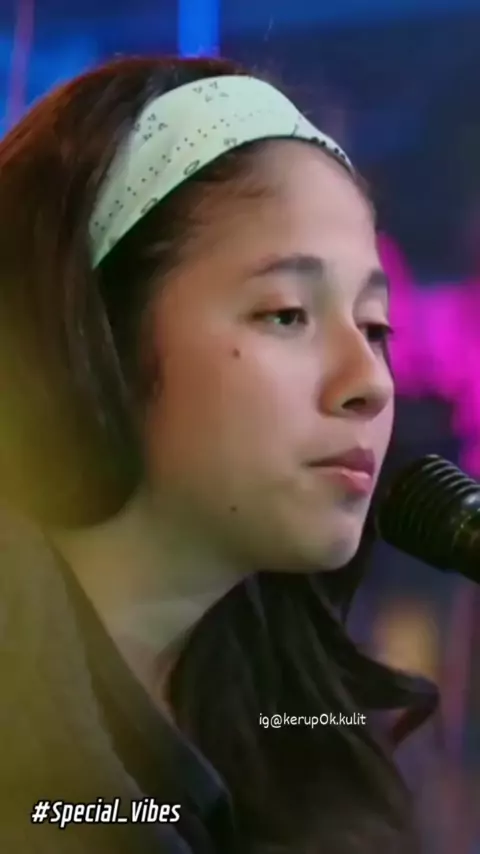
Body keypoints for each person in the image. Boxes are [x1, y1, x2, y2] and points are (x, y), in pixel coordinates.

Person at [0, 55, 437, 854]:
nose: (370, 382)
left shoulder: (288, 715)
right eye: (286, 314)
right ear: (92, 332)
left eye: (375, 327)